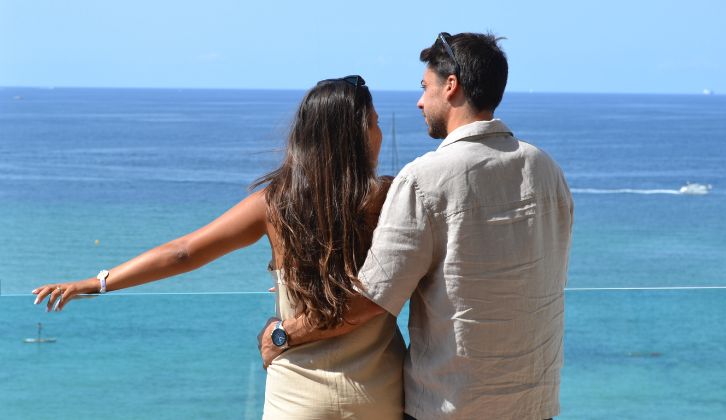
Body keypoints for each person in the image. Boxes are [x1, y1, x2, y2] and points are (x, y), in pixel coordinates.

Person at [32, 75, 406, 419]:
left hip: (298, 395)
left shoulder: (275, 205)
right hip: (378, 391)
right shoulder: (389, 200)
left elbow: (184, 252)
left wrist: (97, 282)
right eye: (373, 123)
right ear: (355, 136)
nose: (379, 134)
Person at [258, 32, 574, 420]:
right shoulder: (546, 170)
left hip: (452, 406)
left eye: (425, 87)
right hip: (533, 403)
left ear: (451, 85)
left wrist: (283, 334)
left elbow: (370, 300)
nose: (420, 101)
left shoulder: (425, 179)